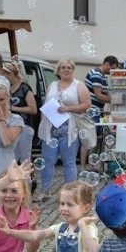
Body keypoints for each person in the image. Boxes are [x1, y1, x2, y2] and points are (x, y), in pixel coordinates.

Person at [38, 59, 93, 200]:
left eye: (69, 67)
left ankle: (70, 193)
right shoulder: (52, 85)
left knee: (69, 162)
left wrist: (68, 108)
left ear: (73, 70)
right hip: (50, 130)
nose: (66, 69)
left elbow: (87, 104)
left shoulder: (78, 86)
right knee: (47, 161)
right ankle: (45, 191)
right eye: (63, 67)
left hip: (69, 130)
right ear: (58, 70)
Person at [3, 60, 38, 163]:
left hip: (25, 125)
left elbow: (33, 109)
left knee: (24, 156)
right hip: (11, 125)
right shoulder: (7, 88)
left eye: (4, 73)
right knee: (12, 156)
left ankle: (27, 179)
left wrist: (13, 108)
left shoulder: (25, 88)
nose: (2, 76)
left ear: (10, 74)